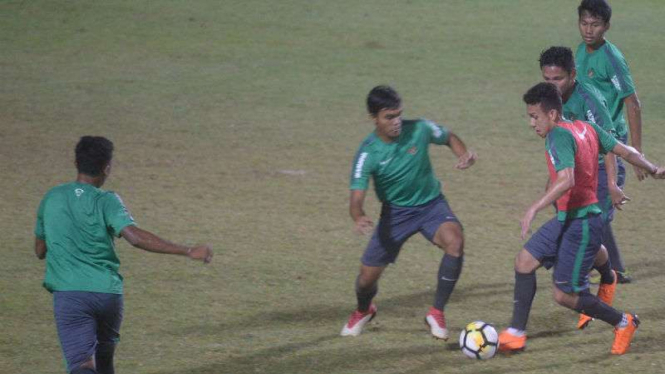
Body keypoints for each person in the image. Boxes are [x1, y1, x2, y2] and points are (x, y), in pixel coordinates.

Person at [497, 83, 664, 355]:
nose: (531, 124)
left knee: (564, 295)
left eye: (535, 117)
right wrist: (653, 168)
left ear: (551, 115)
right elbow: (624, 150)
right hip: (569, 218)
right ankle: (516, 332)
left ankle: (624, 321)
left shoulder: (557, 137)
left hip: (583, 223)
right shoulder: (586, 127)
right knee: (524, 262)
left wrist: (534, 208)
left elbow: (566, 180)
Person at [34, 136, 213, 374]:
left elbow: (39, 250)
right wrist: (188, 250)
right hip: (108, 295)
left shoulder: (52, 197)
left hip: (71, 295)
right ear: (107, 167)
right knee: (104, 362)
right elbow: (135, 237)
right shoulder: (107, 200)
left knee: (82, 365)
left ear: (75, 162)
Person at [340, 85, 477, 340]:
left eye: (398, 114)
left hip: (431, 206)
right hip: (395, 216)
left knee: (455, 241)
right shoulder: (368, 152)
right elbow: (356, 197)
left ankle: (436, 312)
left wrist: (463, 154)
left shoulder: (419, 129)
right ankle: (363, 310)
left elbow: (448, 136)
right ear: (374, 118)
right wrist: (358, 216)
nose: (396, 122)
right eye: (388, 117)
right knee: (366, 280)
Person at [539, 46, 625, 329]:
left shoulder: (589, 99)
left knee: (585, 231)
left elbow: (609, 144)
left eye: (558, 79)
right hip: (572, 173)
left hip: (599, 169)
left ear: (573, 75)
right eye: (547, 79)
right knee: (580, 232)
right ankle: (608, 276)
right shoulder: (547, 102)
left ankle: (586, 297)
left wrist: (612, 184)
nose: (552, 85)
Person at [576, 0, 644, 282]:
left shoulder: (612, 59)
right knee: (589, 207)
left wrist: (636, 153)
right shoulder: (580, 51)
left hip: (611, 142)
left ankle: (607, 271)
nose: (588, 30)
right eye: (584, 23)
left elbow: (633, 103)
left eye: (595, 25)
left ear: (606, 26)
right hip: (587, 141)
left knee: (600, 211)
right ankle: (612, 266)